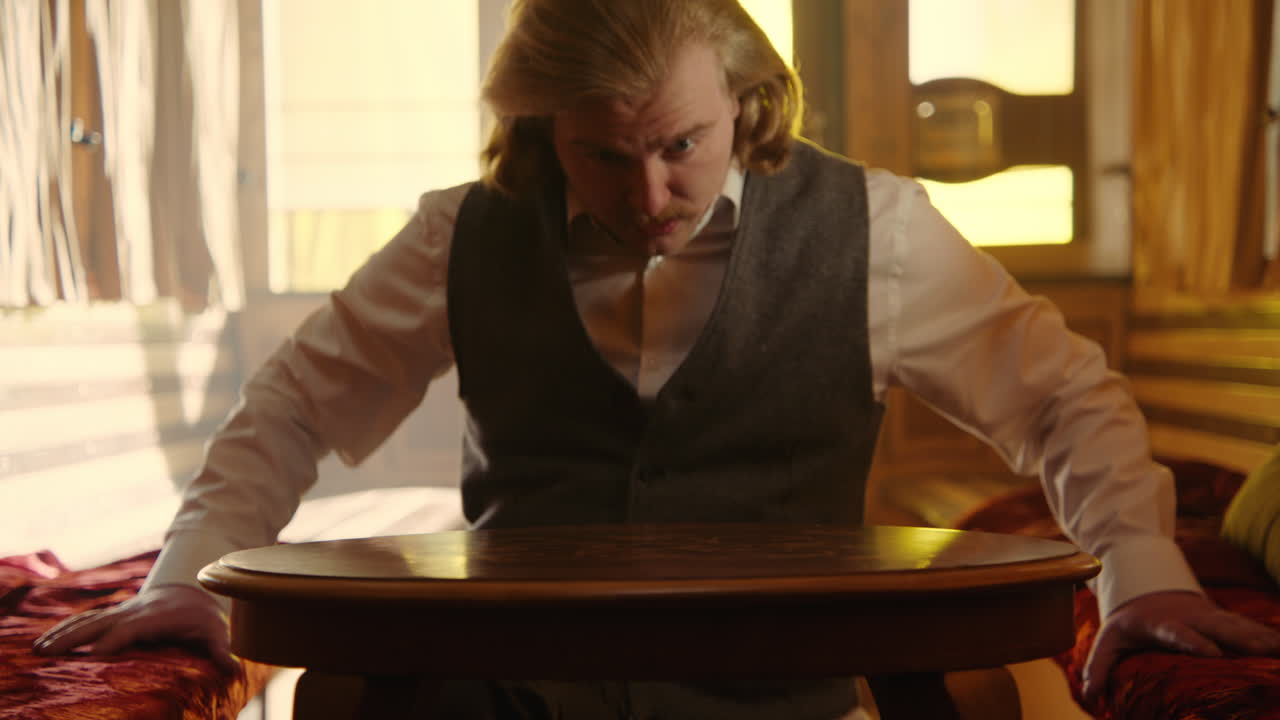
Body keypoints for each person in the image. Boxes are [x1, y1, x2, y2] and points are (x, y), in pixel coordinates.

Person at [33, 0, 1280, 717]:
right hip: (502, 696)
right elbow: (291, 405)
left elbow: (1065, 398)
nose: (648, 193)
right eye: (600, 156)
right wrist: (189, 573)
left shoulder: (875, 229)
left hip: (775, 705)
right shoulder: (456, 236)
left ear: (743, 100)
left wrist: (1143, 576)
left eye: (679, 143)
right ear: (541, 130)